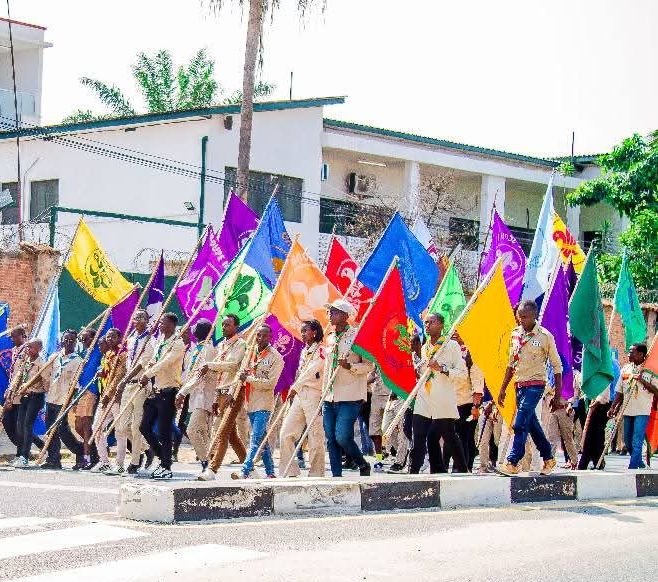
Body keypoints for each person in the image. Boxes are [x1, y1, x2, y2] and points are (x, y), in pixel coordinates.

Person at [497, 299, 561, 476]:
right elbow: (511, 363)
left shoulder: (545, 336)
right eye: (519, 316)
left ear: (534, 316)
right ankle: (548, 458)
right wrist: (503, 388)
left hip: (536, 384)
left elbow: (557, 366)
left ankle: (513, 461)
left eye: (525, 317)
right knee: (532, 425)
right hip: (519, 385)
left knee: (520, 423)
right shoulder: (515, 335)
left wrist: (557, 396)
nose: (521, 320)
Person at [410, 313, 468, 474]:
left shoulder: (451, 346)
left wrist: (442, 368)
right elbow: (426, 372)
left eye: (432, 322)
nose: (427, 325)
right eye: (426, 323)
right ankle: (413, 472)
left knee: (449, 435)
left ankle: (463, 469)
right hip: (424, 397)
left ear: (441, 325)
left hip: (442, 399)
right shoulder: (425, 347)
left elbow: (462, 374)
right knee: (418, 435)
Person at [322, 299, 374, 478]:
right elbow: (327, 368)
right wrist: (323, 393)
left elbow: (369, 366)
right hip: (329, 395)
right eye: (329, 312)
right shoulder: (330, 338)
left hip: (350, 395)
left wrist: (350, 366)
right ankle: (336, 476)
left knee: (342, 436)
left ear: (345, 316)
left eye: (334, 312)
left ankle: (362, 463)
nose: (330, 315)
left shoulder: (358, 337)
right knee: (331, 438)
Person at [197, 314, 248, 481]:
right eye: (223, 324)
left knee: (222, 432)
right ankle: (249, 467)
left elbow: (232, 365)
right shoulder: (221, 345)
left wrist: (210, 364)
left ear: (236, 327)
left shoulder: (241, 344)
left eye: (227, 325)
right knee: (231, 435)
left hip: (233, 393)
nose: (224, 327)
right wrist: (214, 399)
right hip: (220, 393)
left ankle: (212, 469)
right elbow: (218, 375)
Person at [231, 323, 284, 479]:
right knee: (261, 439)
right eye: (258, 335)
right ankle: (270, 472)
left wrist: (248, 378)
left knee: (255, 438)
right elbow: (241, 371)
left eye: (264, 335)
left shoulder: (276, 357)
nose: (260, 338)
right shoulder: (250, 352)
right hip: (250, 402)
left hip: (263, 403)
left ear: (270, 337)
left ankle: (245, 470)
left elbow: (270, 384)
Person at [139, 313, 186, 480]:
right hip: (156, 391)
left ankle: (166, 467)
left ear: (172, 325)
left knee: (164, 431)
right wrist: (147, 369)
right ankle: (163, 457)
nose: (160, 325)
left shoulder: (178, 343)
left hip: (169, 391)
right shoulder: (160, 340)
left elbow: (165, 362)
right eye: (159, 322)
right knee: (144, 427)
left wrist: (148, 373)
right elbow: (155, 359)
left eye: (163, 323)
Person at [279, 319, 326, 477]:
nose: (303, 334)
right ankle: (290, 471)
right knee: (286, 432)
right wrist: (296, 388)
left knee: (315, 435)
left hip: (314, 394)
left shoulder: (321, 350)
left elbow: (311, 371)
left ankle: (316, 473)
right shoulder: (304, 350)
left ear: (314, 332)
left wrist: (295, 387)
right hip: (300, 394)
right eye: (302, 331)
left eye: (306, 330)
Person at [115, 309, 154, 474]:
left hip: (140, 384)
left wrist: (125, 379)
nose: (137, 320)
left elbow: (142, 364)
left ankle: (135, 462)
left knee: (136, 426)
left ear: (147, 321)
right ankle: (147, 448)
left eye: (141, 317)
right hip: (128, 385)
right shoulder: (130, 339)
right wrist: (123, 380)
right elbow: (128, 364)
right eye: (135, 317)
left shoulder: (150, 340)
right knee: (122, 426)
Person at [175, 319, 217, 477]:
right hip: (194, 395)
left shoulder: (208, 349)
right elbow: (189, 373)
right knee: (202, 432)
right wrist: (182, 389)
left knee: (192, 430)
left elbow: (201, 376)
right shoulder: (195, 349)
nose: (192, 330)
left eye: (196, 327)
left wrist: (183, 392)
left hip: (204, 395)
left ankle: (206, 463)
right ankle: (210, 465)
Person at [608, 343, 657, 470]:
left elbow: (656, 391)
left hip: (642, 410)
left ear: (641, 354)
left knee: (637, 440)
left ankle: (633, 466)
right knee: (627, 440)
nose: (629, 354)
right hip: (627, 409)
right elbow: (619, 391)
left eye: (632, 352)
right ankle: (639, 462)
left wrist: (643, 380)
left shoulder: (649, 370)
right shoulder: (626, 369)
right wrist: (613, 407)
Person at [42, 330, 84, 470]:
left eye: (71, 340)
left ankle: (80, 451)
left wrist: (70, 401)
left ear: (75, 342)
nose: (68, 342)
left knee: (62, 430)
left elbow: (76, 385)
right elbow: (46, 374)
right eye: (66, 339)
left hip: (64, 400)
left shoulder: (78, 361)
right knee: (50, 430)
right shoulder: (55, 357)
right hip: (51, 397)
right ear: (62, 341)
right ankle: (54, 459)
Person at [92, 328, 128, 474]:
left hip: (116, 398)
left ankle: (120, 464)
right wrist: (102, 373)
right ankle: (104, 462)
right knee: (96, 427)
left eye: (113, 337)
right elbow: (108, 374)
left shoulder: (122, 354)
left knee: (120, 431)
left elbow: (119, 377)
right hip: (105, 398)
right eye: (108, 337)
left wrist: (108, 395)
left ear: (119, 338)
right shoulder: (107, 354)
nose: (109, 339)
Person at [446, 336, 484, 472]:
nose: (455, 333)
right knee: (453, 437)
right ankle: (459, 466)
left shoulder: (471, 353)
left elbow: (477, 382)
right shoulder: (450, 352)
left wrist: (476, 406)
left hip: (467, 403)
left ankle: (463, 467)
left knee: (465, 437)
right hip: (452, 402)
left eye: (458, 330)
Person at [11, 339, 50, 468]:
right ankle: (39, 447)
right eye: (27, 347)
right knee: (20, 426)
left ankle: (24, 457)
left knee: (27, 425)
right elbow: (19, 376)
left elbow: (45, 382)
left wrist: (31, 386)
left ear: (39, 349)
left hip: (35, 397)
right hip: (24, 397)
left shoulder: (42, 363)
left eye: (31, 347)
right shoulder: (26, 361)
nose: (28, 350)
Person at [73, 327, 100, 469]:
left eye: (86, 338)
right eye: (81, 338)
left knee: (86, 426)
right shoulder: (84, 353)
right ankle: (95, 451)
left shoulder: (99, 351)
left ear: (93, 338)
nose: (83, 340)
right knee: (78, 426)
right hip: (81, 391)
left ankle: (88, 458)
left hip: (91, 390)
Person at [2, 325, 29, 450]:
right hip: (11, 392)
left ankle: (23, 451)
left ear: (22, 336)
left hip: (22, 393)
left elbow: (25, 373)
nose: (12, 339)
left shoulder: (28, 350)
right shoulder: (14, 350)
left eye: (14, 337)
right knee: (7, 421)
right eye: (11, 337)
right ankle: (22, 447)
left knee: (20, 424)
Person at [578, 373, 612, 470]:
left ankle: (589, 462)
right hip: (586, 402)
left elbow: (606, 384)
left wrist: (598, 400)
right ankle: (595, 460)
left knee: (596, 434)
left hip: (600, 404)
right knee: (589, 434)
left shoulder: (604, 369)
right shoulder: (586, 370)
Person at [367, 369, 390, 472]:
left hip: (393, 395)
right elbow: (372, 375)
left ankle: (401, 458)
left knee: (390, 429)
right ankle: (379, 459)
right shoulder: (377, 361)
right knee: (375, 430)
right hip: (376, 395)